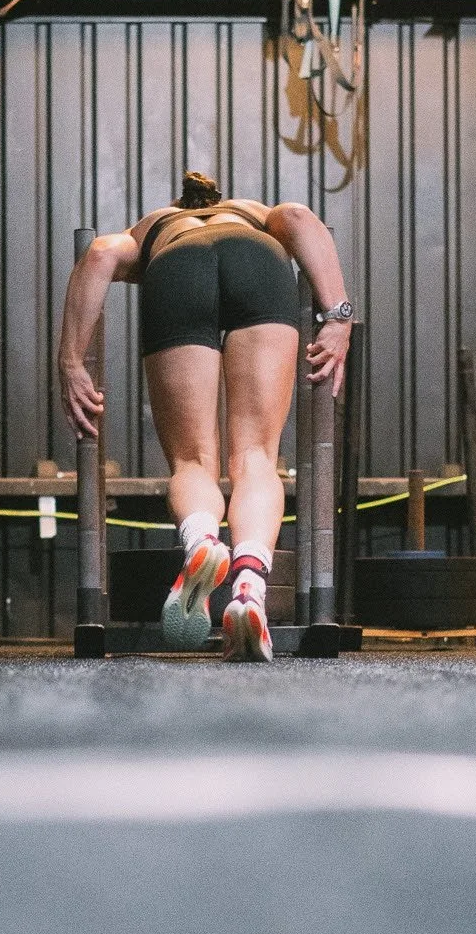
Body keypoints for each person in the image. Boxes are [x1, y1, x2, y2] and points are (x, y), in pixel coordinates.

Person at [57, 170, 352, 662]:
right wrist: (338, 316)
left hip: (176, 270)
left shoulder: (156, 226)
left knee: (193, 461)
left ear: (179, 203)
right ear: (221, 198)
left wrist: (69, 362)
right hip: (256, 263)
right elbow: (300, 217)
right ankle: (249, 587)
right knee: (256, 456)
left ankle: (201, 541)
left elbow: (99, 254)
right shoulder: (252, 214)